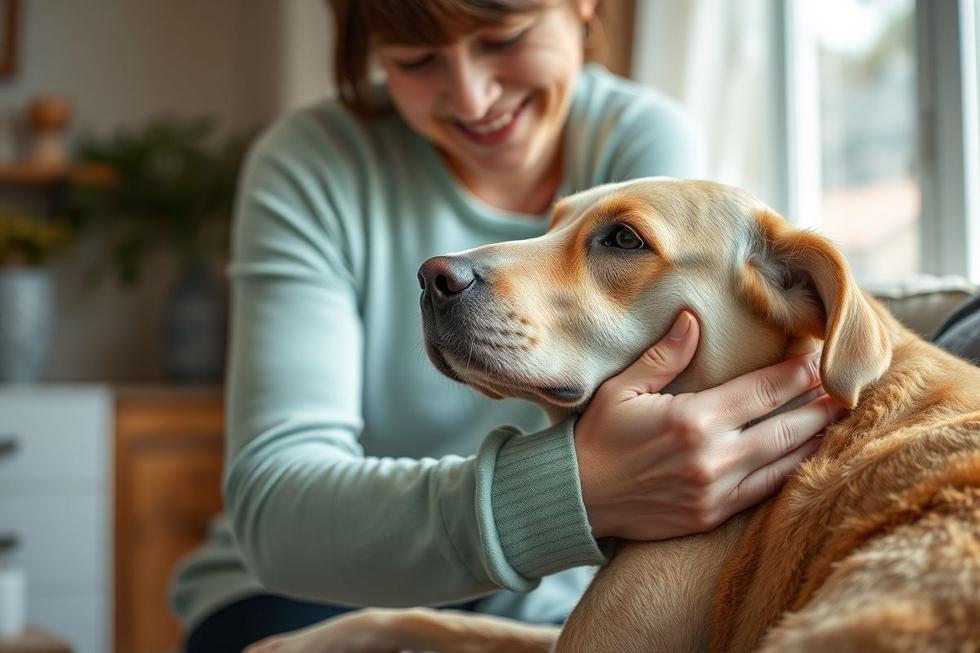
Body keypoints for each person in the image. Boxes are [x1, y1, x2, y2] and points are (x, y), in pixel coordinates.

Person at [170, 1, 845, 650]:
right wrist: (567, 491)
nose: (470, 96)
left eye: (504, 38)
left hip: (549, 585)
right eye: (416, 60)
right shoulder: (307, 164)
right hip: (311, 579)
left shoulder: (643, 143)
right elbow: (277, 509)